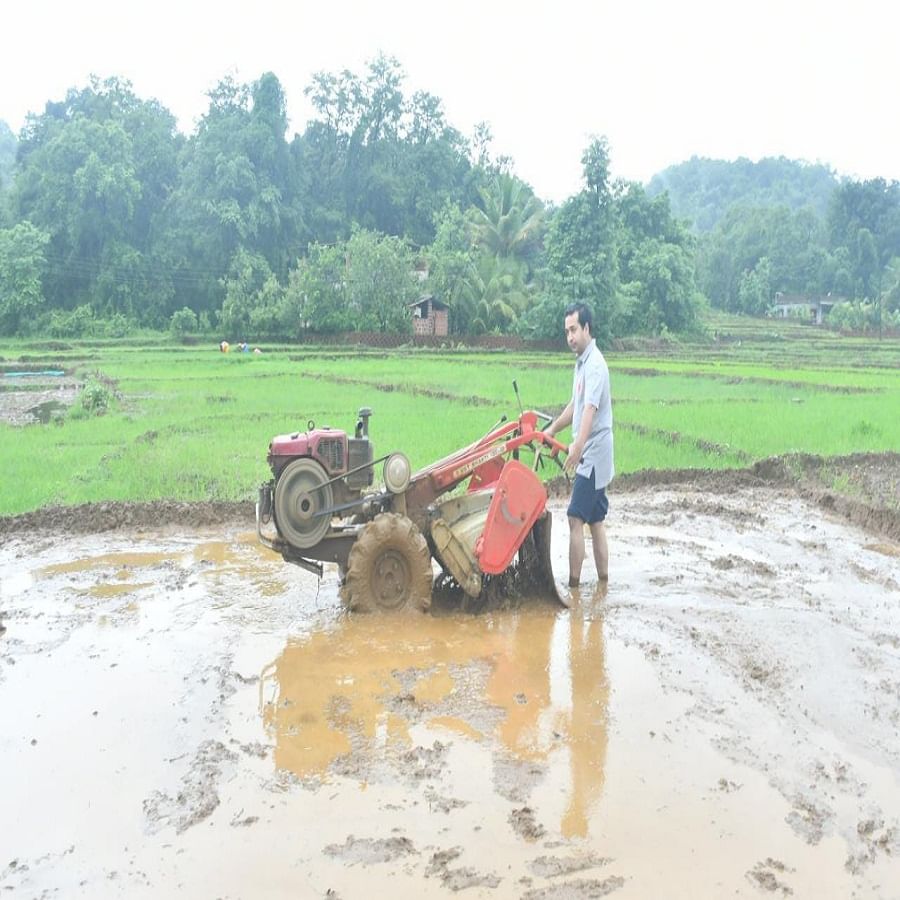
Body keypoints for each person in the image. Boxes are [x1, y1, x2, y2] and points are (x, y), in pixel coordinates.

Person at [545, 302, 614, 589]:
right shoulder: (582, 363)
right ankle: (603, 583)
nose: (570, 337)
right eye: (567, 332)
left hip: (594, 453)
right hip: (593, 451)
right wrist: (552, 429)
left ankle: (573, 588)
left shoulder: (595, 364)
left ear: (586, 328)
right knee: (595, 521)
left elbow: (590, 409)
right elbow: (576, 405)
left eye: (574, 330)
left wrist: (577, 447)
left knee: (575, 518)